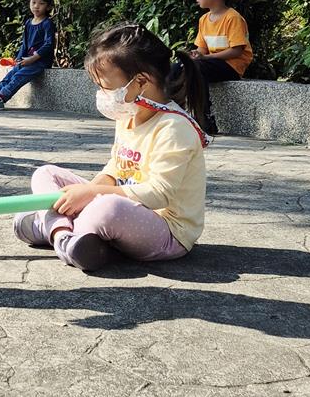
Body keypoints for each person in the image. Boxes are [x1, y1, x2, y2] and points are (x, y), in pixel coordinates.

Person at [13, 22, 209, 273]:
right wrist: (87, 192)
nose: (102, 94)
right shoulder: (128, 114)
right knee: (46, 174)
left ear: (141, 82)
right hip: (123, 207)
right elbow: (116, 169)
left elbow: (159, 194)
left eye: (105, 87)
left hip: (167, 230)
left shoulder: (174, 127)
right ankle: (67, 234)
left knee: (108, 208)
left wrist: (91, 195)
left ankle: (54, 228)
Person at [191, 0, 253, 135]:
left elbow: (236, 51)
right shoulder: (204, 20)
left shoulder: (232, 17)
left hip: (232, 66)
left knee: (198, 68)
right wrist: (196, 55)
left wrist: (205, 58)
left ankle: (205, 117)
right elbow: (202, 48)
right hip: (212, 63)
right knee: (180, 67)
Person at [0, 0, 57, 109]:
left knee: (18, 77)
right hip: (26, 60)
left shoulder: (47, 24)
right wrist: (19, 58)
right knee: (9, 76)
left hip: (40, 62)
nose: (36, 6)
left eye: (41, 3)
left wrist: (33, 58)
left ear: (48, 7)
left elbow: (49, 44)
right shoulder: (29, 23)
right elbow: (25, 43)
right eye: (33, 2)